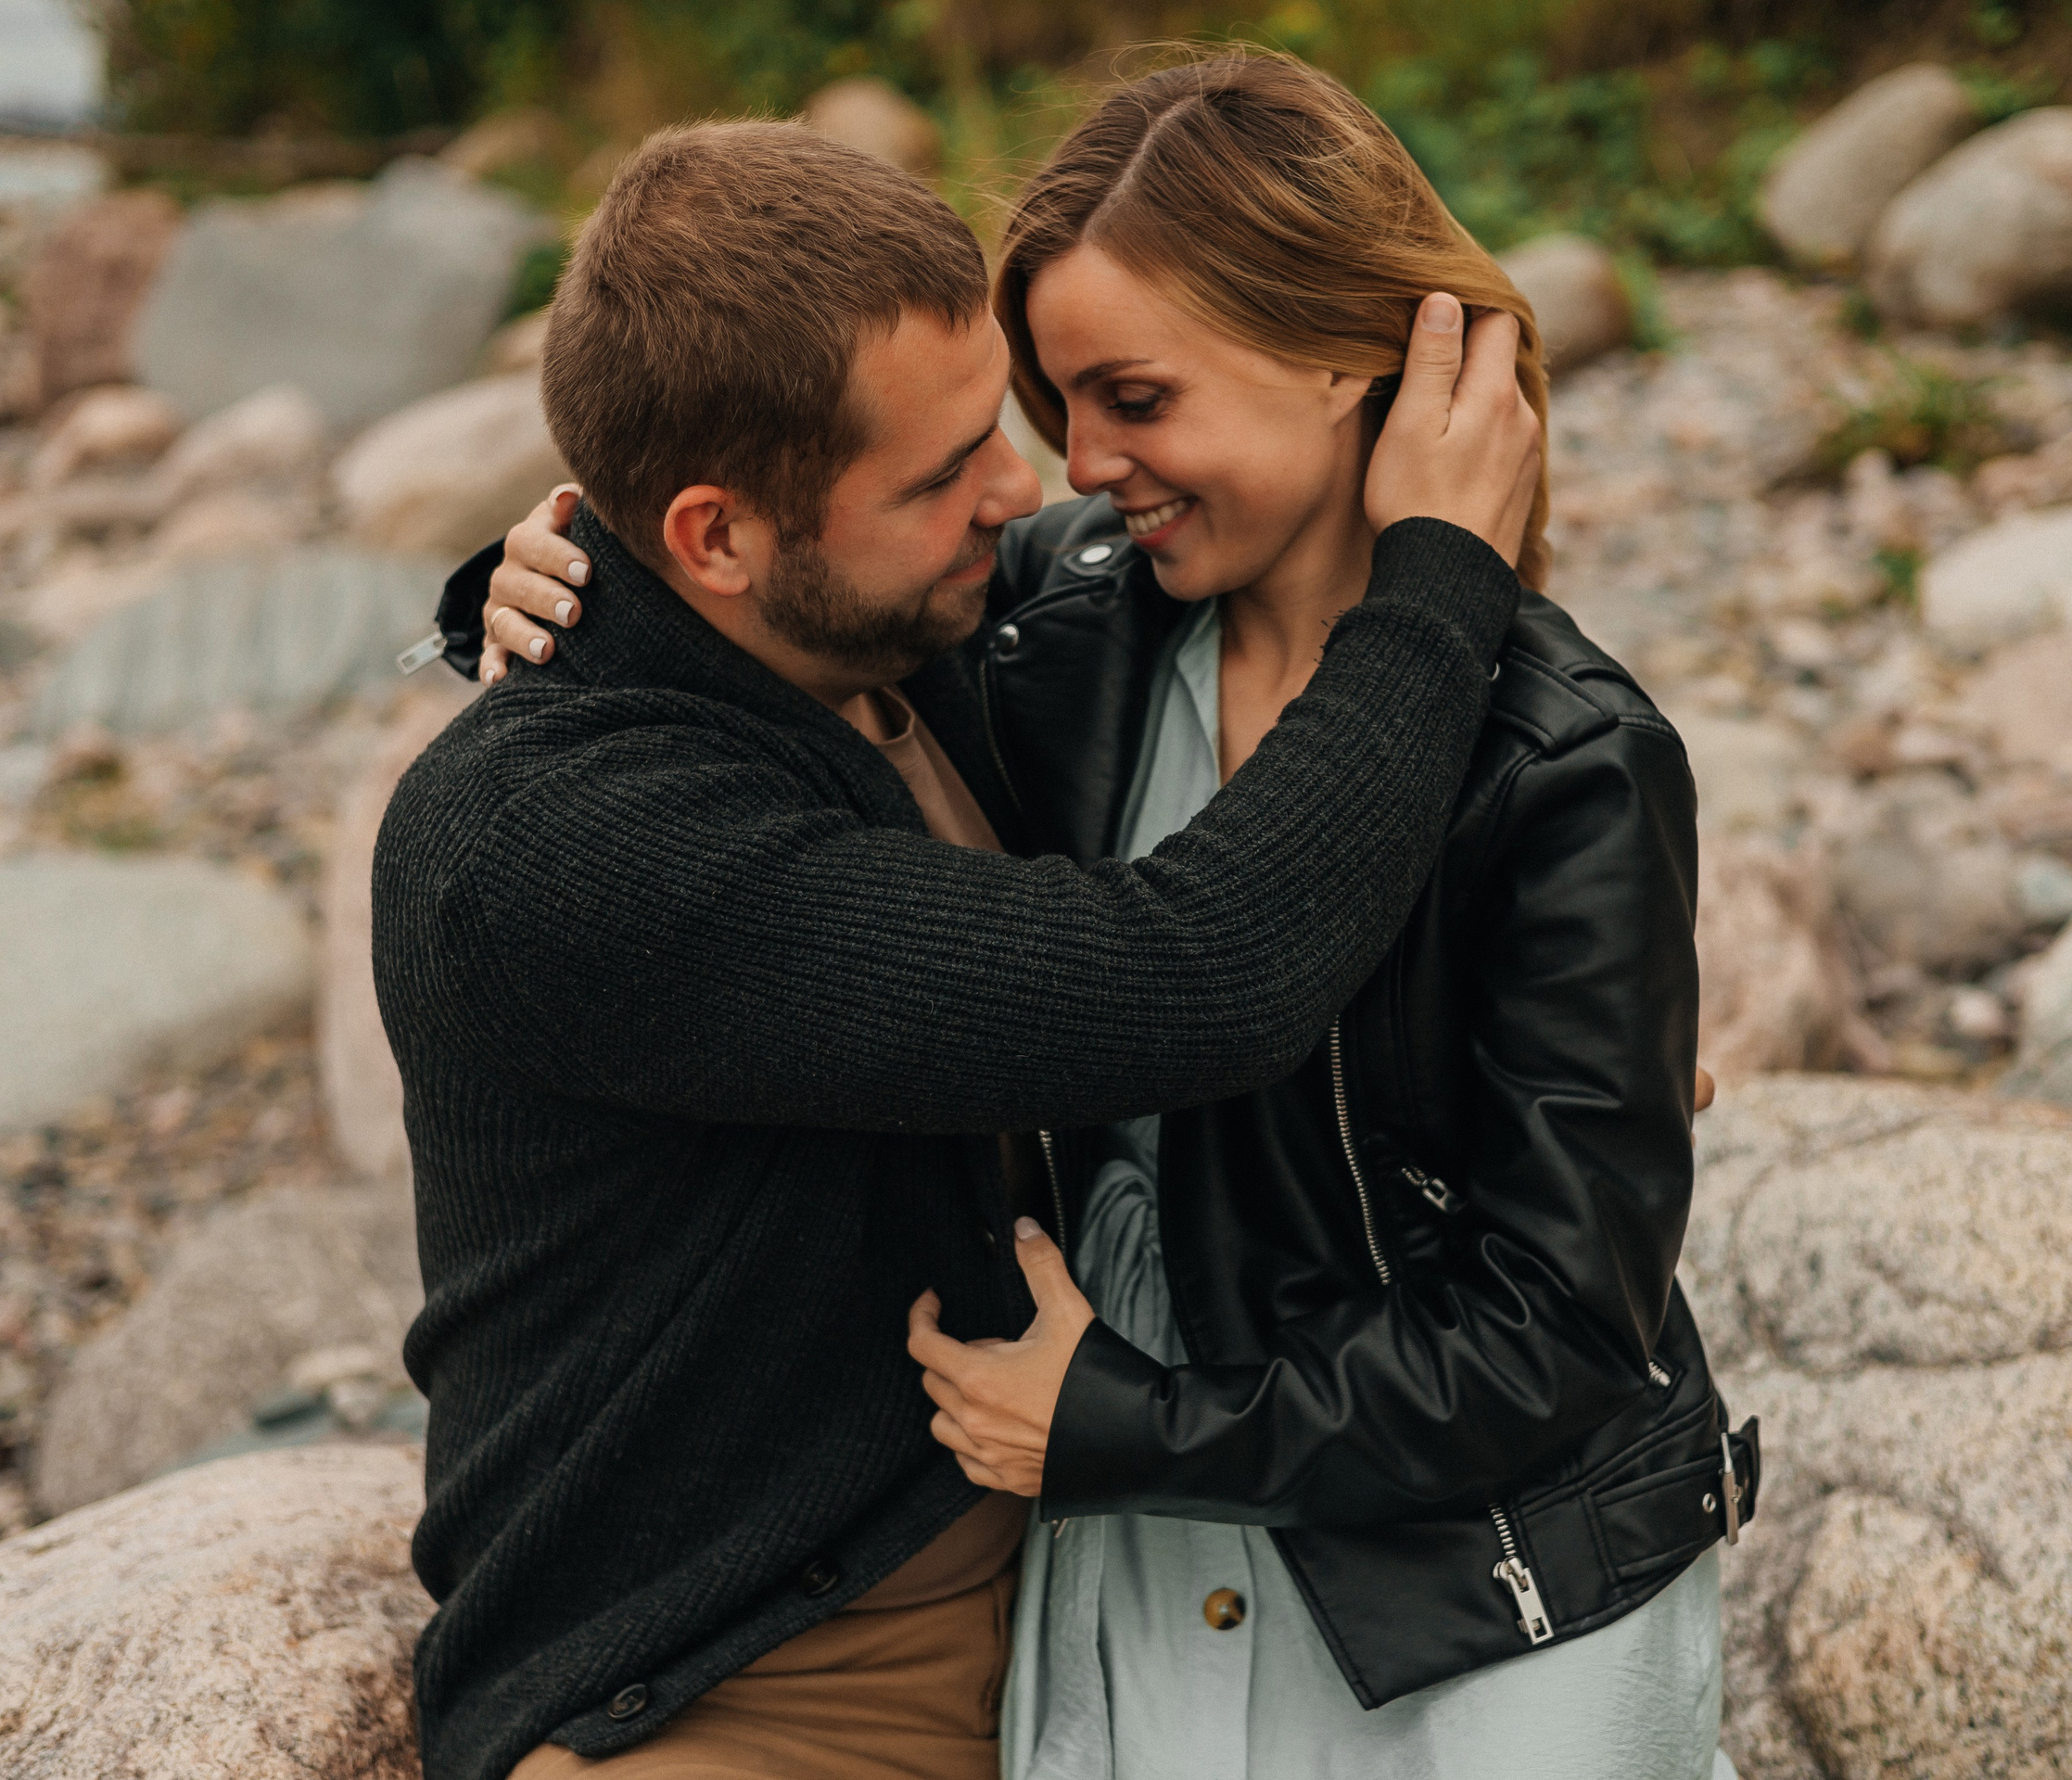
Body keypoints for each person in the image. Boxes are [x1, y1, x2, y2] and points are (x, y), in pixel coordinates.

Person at [477, 51, 1757, 1780]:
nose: (1069, 468)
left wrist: (1144, 1430)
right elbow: (783, 596)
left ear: (1342, 354)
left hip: (1470, 1600)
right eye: (1050, 403)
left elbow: (1564, 1329)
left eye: (1131, 398)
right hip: (1120, 1564)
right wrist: (546, 584)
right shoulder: (1059, 637)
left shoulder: (1567, 764)